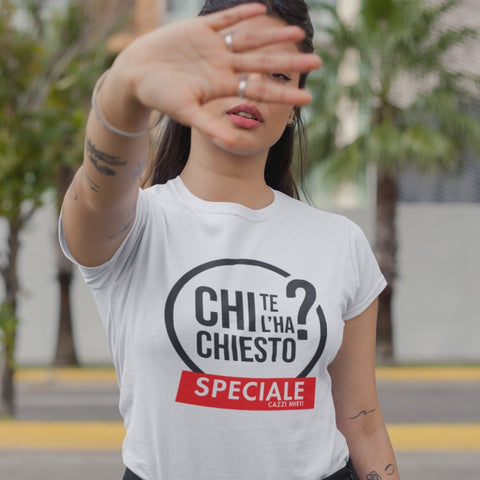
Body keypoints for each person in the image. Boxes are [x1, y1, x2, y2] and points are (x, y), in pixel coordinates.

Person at [59, 1, 400, 479]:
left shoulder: (340, 242)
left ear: (296, 105)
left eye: (278, 75)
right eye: (233, 63)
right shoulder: (136, 227)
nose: (253, 86)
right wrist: (124, 85)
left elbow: (362, 424)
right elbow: (100, 189)